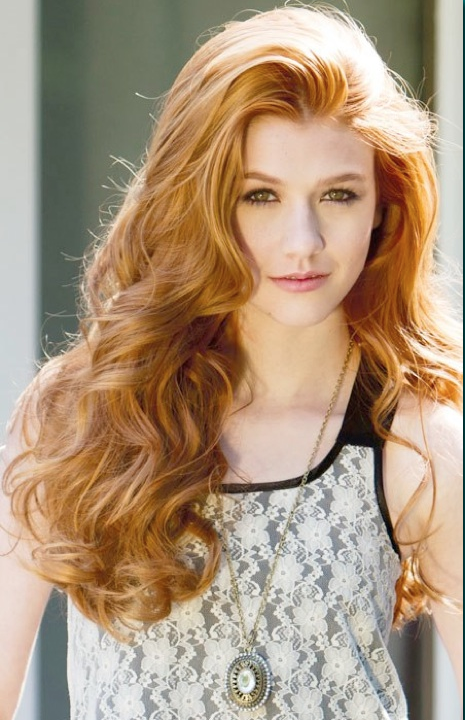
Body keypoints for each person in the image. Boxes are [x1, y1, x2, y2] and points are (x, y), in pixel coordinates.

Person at [1, 4, 462, 719]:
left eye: (338, 194)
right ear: (204, 203)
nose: (302, 241)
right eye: (260, 196)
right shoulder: (78, 415)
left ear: (383, 206)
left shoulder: (420, 446)